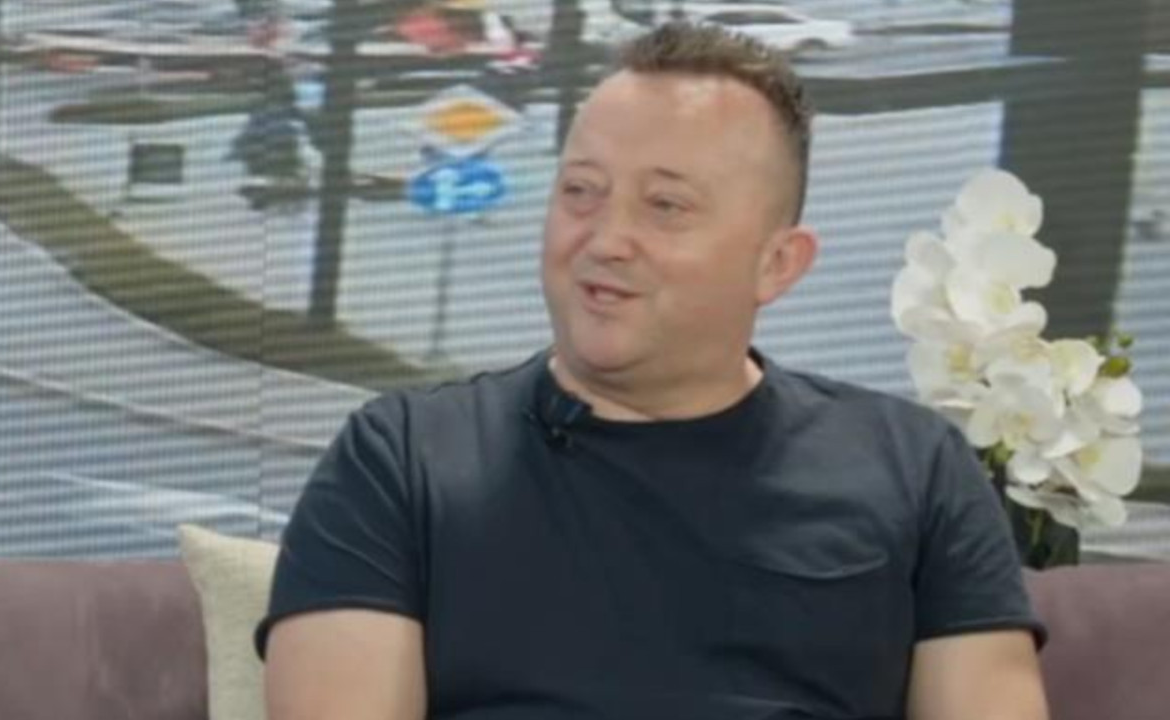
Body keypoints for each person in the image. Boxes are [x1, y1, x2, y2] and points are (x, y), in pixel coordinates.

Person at [255, 22, 1049, 720]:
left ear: (777, 264)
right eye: (580, 192)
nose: (605, 239)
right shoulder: (401, 459)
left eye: (665, 206)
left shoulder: (915, 467)